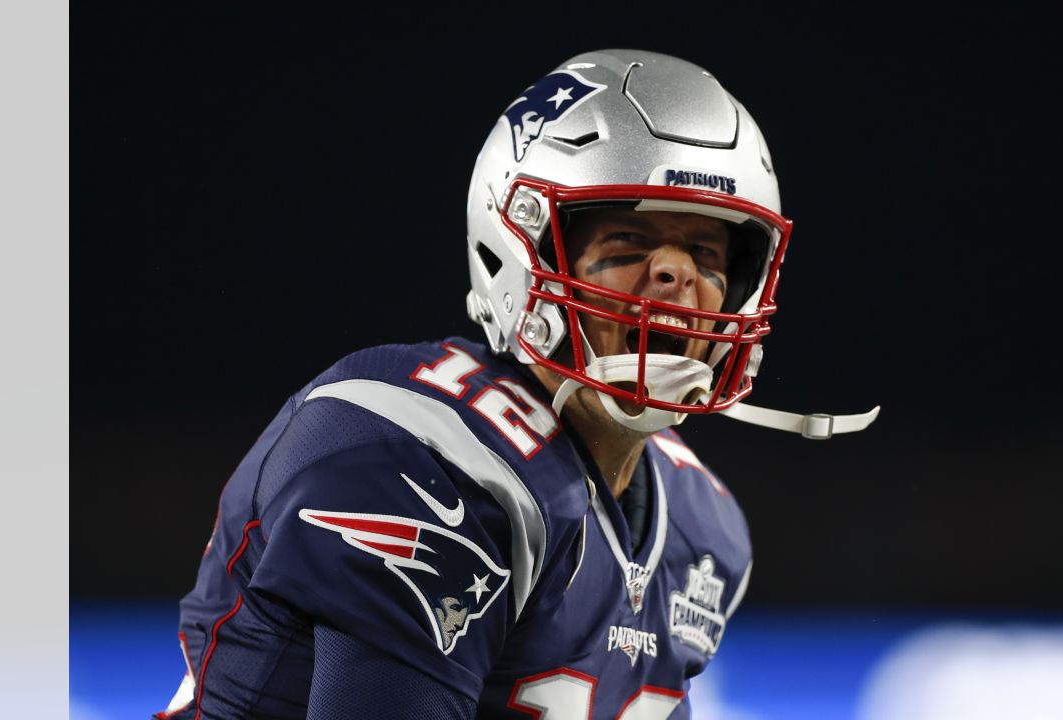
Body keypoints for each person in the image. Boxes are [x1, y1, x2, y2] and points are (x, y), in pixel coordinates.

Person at [155, 49, 878, 720]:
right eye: (628, 244)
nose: (675, 275)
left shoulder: (703, 528)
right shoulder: (415, 451)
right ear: (517, 252)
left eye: (708, 251)